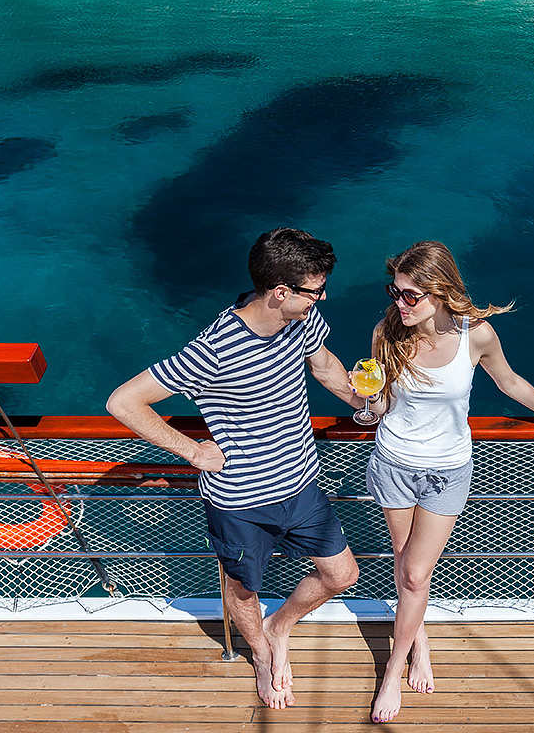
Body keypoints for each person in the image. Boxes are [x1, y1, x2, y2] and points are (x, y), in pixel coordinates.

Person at [106, 228, 367, 711]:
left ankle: (279, 626)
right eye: (316, 289)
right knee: (243, 589)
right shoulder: (214, 350)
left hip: (302, 486)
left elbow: (326, 367)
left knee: (341, 575)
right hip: (240, 501)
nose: (323, 297)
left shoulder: (302, 321)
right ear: (281, 292)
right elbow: (123, 401)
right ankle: (262, 654)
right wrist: (192, 451)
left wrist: (366, 403)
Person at [364, 241, 534, 723]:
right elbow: (381, 405)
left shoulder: (475, 334)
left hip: (447, 470)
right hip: (393, 463)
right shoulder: (386, 332)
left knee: (414, 574)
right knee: (406, 566)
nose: (400, 303)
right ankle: (418, 643)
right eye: (395, 292)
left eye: (411, 295)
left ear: (440, 292)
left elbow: (510, 382)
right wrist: (368, 398)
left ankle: (393, 670)